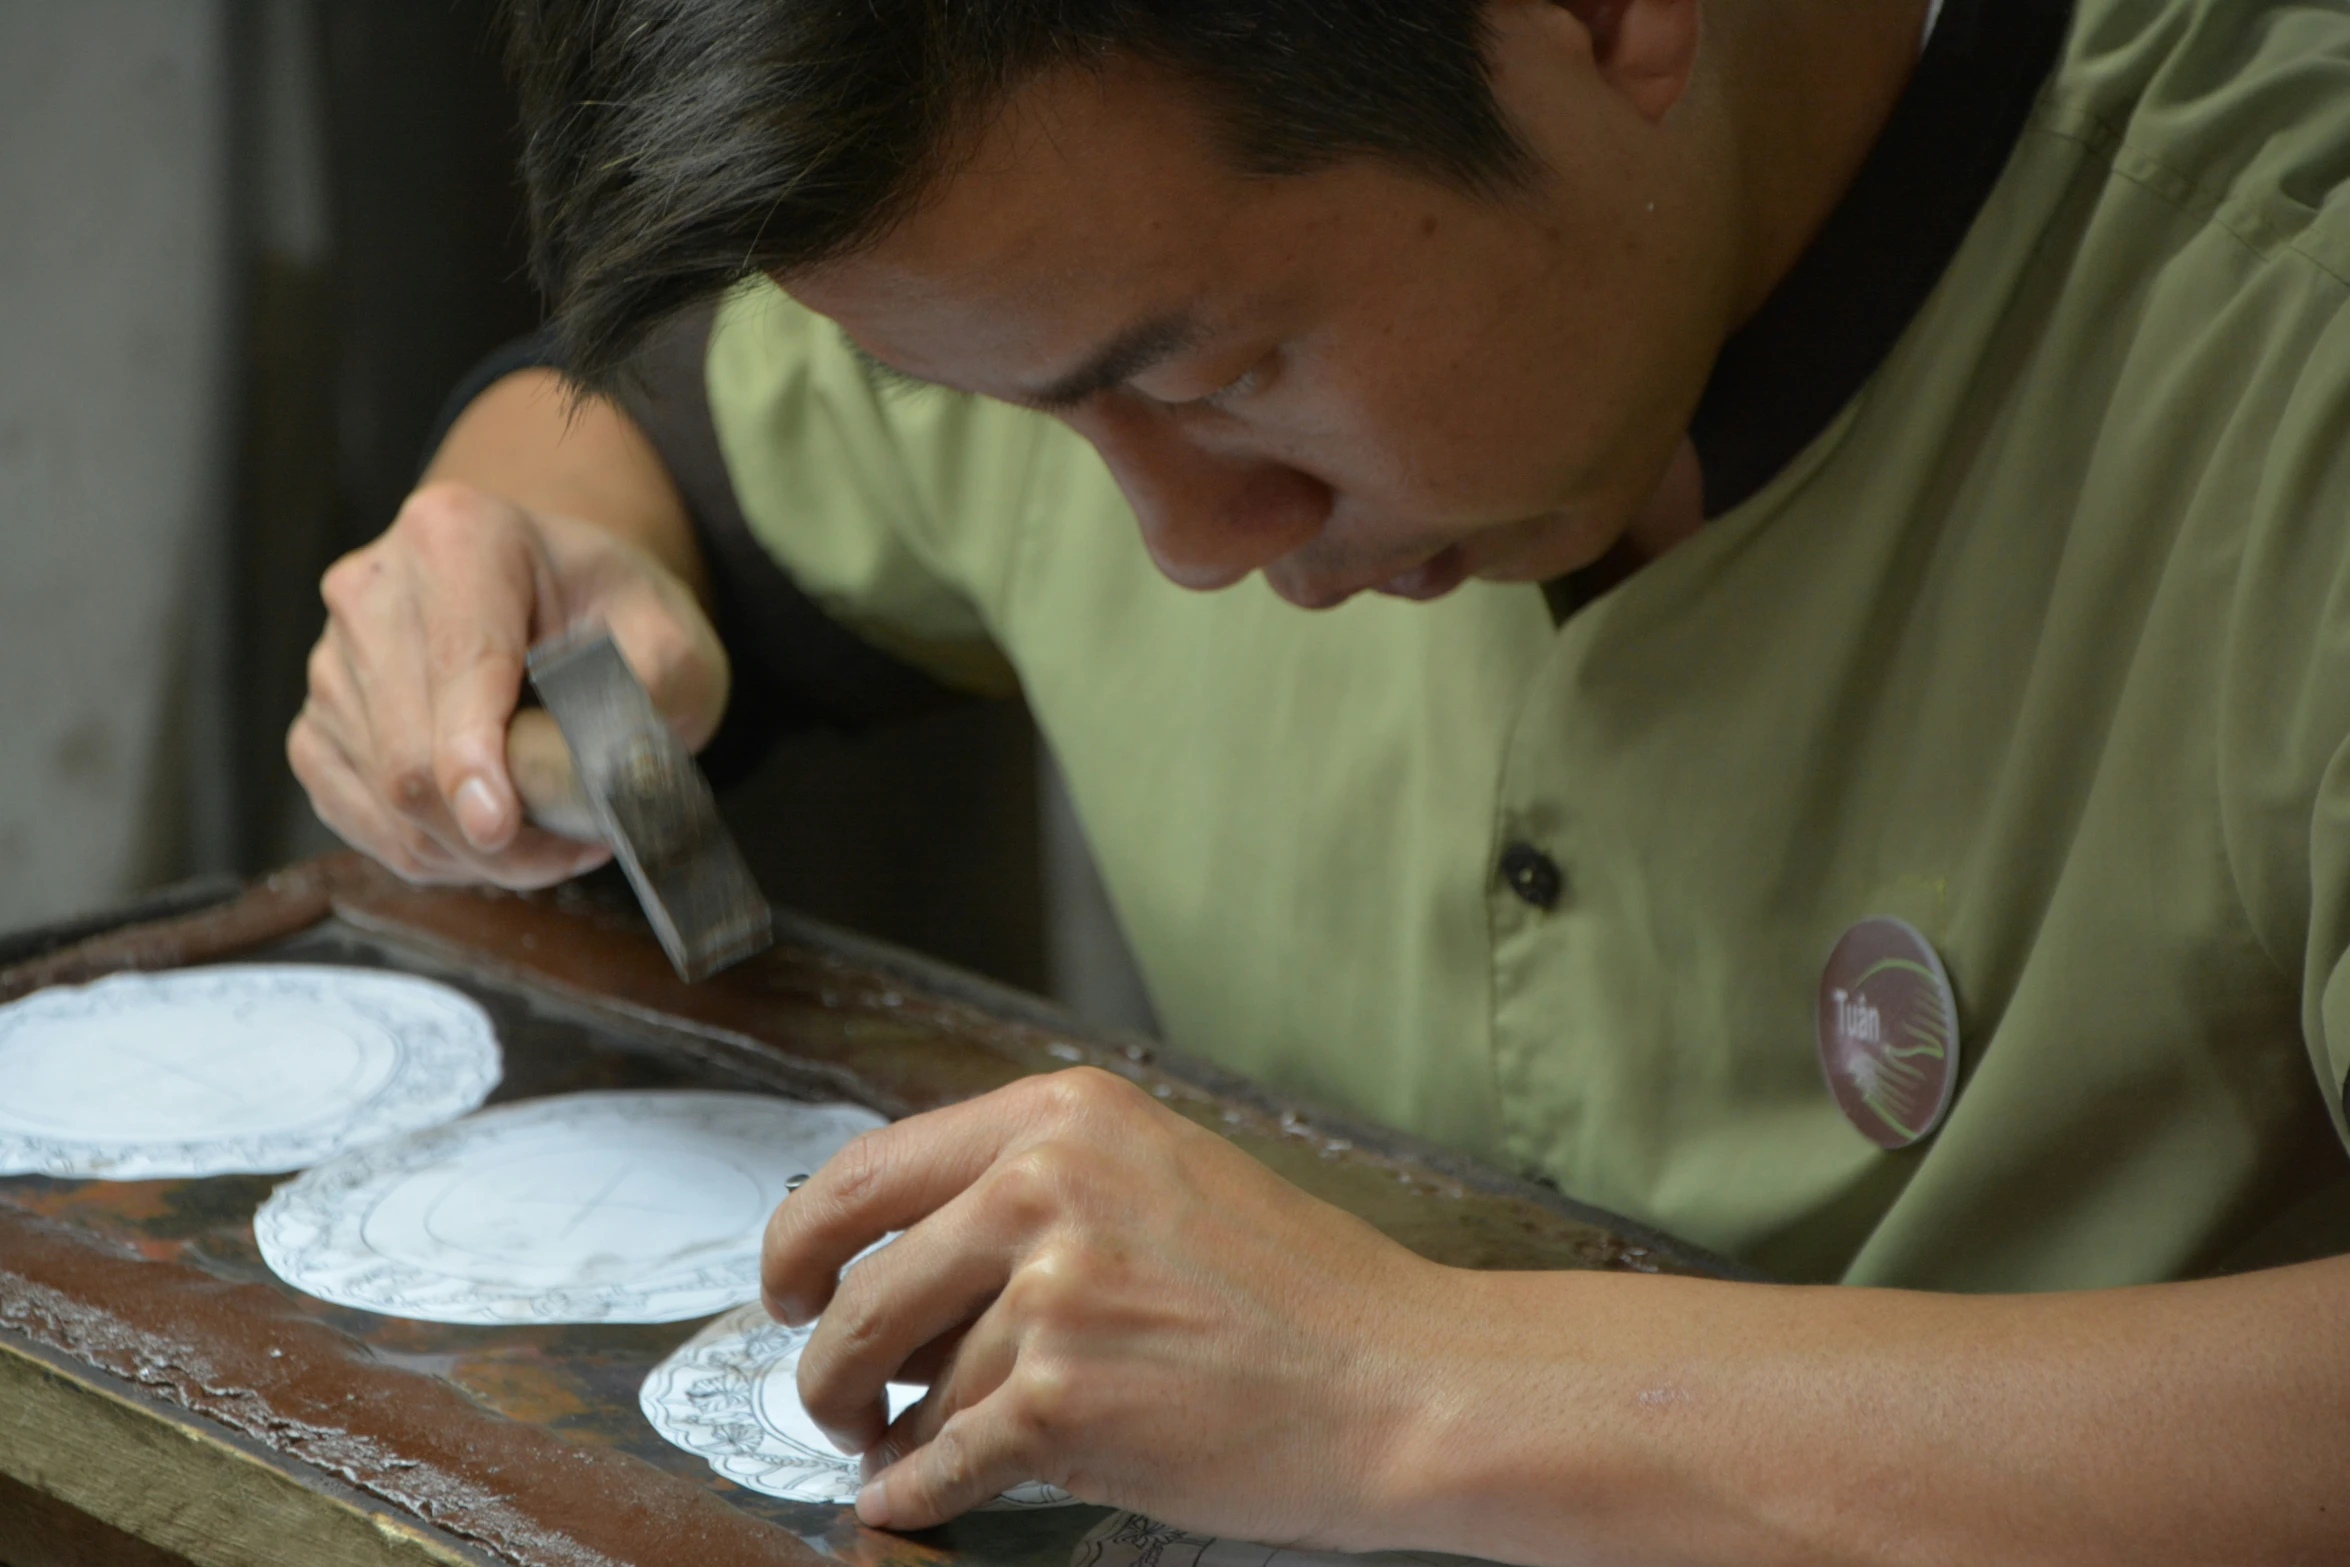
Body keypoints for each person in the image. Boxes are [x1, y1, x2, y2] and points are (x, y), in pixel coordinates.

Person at [289, 0, 2350, 1558]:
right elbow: (646, 441)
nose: (1181, 541)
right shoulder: (1052, 187)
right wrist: (518, 551)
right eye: (1028, 406)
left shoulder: (2277, 355)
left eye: (1207, 375)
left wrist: (1392, 1382)